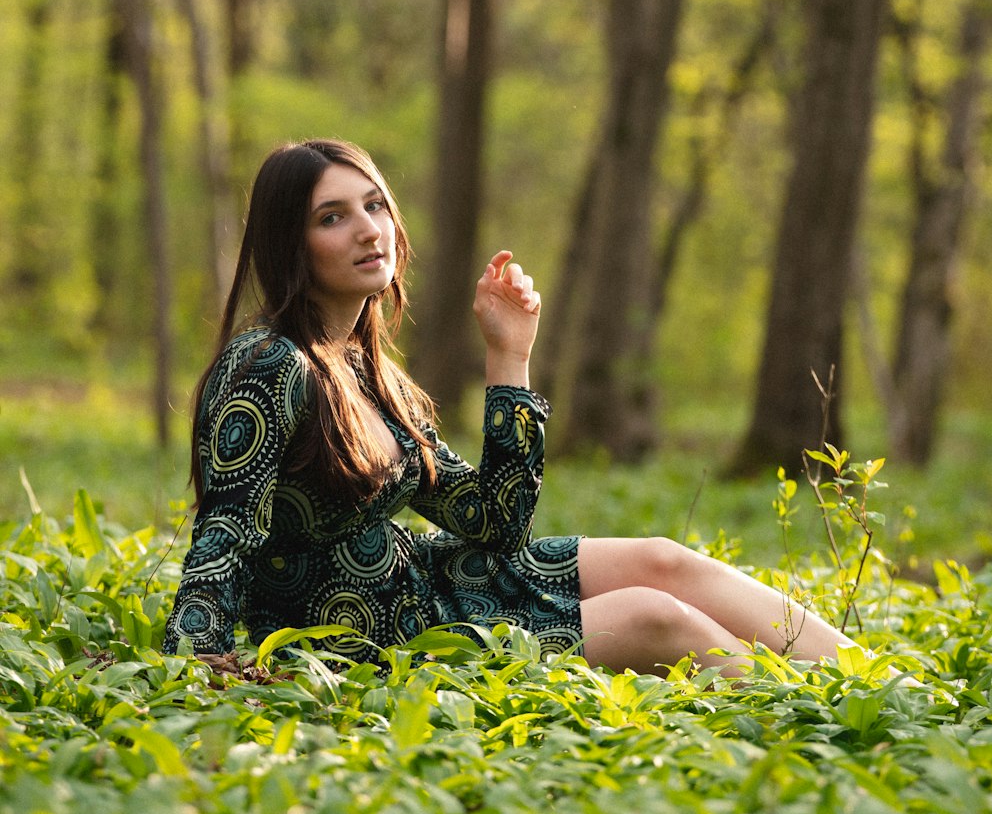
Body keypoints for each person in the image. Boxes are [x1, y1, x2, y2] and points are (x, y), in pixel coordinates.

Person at [163, 137, 859, 680]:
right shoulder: (267, 366)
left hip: (431, 584)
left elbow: (494, 522)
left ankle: (883, 683)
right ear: (292, 243)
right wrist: (198, 667)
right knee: (652, 615)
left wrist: (509, 359)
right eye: (332, 217)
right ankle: (821, 714)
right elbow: (225, 537)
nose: (368, 230)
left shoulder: (368, 373)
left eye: (375, 206)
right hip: (375, 640)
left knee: (662, 560)